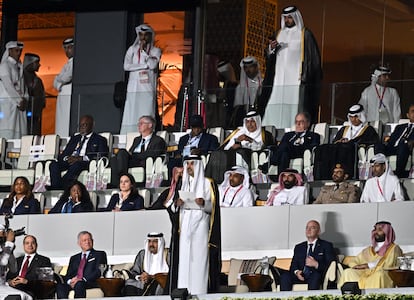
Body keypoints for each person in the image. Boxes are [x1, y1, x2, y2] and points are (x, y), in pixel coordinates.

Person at [260, 6, 322, 128]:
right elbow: (268, 58)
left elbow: (313, 59)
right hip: (278, 81)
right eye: (285, 18)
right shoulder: (278, 34)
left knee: (295, 106)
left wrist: (306, 77)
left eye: (290, 17)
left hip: (295, 80)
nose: (288, 20)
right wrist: (271, 48)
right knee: (274, 103)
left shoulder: (304, 34)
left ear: (295, 17)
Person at [174, 155, 221, 294]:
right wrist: (178, 204)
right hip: (186, 225)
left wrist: (203, 203)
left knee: (199, 261)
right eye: (187, 164)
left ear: (199, 165)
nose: (188, 167)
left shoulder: (208, 183)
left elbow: (214, 208)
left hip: (201, 225)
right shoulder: (184, 182)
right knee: (184, 260)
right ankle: (183, 291)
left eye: (192, 164)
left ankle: (199, 292)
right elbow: (173, 207)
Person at [48, 115, 109, 190]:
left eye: (85, 124)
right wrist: (67, 158)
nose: (82, 127)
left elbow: (102, 156)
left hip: (84, 162)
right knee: (53, 164)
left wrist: (81, 158)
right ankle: (56, 187)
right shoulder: (75, 138)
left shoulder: (100, 139)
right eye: (80, 125)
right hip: (70, 160)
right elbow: (65, 153)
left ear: (92, 125)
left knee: (77, 164)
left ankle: (62, 186)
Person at [147, 167, 183, 293]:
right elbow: (156, 207)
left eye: (181, 174)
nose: (179, 177)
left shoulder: (187, 191)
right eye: (177, 174)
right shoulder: (168, 192)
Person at [120, 24, 161, 134]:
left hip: (147, 89)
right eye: (141, 35)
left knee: (147, 112)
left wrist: (144, 53)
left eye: (145, 35)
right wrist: (144, 66)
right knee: (131, 112)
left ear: (150, 36)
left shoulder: (155, 51)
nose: (143, 38)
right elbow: (126, 66)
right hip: (134, 88)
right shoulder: (132, 50)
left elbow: (152, 65)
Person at [337, 221, 403, 289]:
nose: (376, 232)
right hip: (365, 274)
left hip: (383, 273)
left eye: (380, 229)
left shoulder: (394, 248)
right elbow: (354, 261)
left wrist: (368, 265)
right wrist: (356, 266)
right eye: (375, 229)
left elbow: (389, 263)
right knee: (348, 272)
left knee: (379, 275)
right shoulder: (368, 250)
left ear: (388, 233)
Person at [280, 220, 336, 291]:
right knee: (285, 276)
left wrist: (316, 264)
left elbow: (331, 265)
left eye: (312, 228)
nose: (308, 230)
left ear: (318, 231)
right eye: (307, 228)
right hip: (301, 276)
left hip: (316, 276)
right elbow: (293, 265)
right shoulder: (299, 247)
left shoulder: (326, 245)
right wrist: (297, 272)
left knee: (315, 276)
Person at [111, 115, 166, 186]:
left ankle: (121, 180)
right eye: (138, 124)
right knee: (114, 159)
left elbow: (153, 154)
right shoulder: (137, 139)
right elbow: (130, 152)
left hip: (144, 162)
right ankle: (118, 183)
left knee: (121, 154)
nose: (138, 126)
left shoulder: (158, 140)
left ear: (150, 125)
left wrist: (134, 155)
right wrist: (131, 154)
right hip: (133, 160)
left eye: (141, 123)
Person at [56, 231, 107, 299]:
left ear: (92, 241)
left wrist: (82, 279)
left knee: (79, 284)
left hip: (89, 282)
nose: (87, 242)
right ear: (79, 243)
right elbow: (68, 274)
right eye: (84, 240)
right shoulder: (74, 258)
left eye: (89, 239)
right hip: (75, 283)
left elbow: (99, 271)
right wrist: (70, 281)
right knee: (60, 287)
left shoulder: (100, 254)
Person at [168, 114, 219, 178]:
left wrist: (200, 151)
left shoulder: (210, 138)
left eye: (199, 127)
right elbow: (179, 150)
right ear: (191, 127)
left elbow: (214, 152)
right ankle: (173, 182)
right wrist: (178, 154)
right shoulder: (183, 139)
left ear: (202, 126)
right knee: (172, 162)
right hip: (183, 158)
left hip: (197, 159)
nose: (197, 129)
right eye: (194, 127)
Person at [375, 103, 414, 178]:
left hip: (406, 148)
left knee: (402, 144)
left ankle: (398, 175)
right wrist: (386, 141)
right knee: (378, 145)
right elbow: (391, 140)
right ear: (407, 115)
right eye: (413, 111)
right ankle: (381, 171)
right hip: (393, 148)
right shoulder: (400, 127)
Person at [0, 41, 28, 139]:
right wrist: (19, 100)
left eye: (20, 51)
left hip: (20, 104)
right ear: (10, 51)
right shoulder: (5, 65)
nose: (19, 53)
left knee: (20, 131)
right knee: (9, 132)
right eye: (16, 50)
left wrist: (25, 99)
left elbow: (23, 86)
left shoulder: (19, 66)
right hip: (9, 103)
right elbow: (8, 85)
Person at [231, 56, 262, 127]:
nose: (248, 70)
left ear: (256, 67)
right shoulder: (240, 87)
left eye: (250, 67)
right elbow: (238, 108)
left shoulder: (263, 83)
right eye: (246, 68)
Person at [54, 37, 74, 137]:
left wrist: (59, 79)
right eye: (65, 48)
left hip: (70, 96)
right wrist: (60, 80)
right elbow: (55, 82)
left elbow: (67, 77)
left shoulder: (76, 63)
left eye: (69, 47)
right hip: (63, 97)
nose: (67, 50)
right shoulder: (65, 65)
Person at [23, 53, 45, 135]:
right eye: (37, 62)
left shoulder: (38, 80)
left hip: (35, 116)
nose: (39, 65)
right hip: (24, 115)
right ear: (30, 63)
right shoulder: (21, 78)